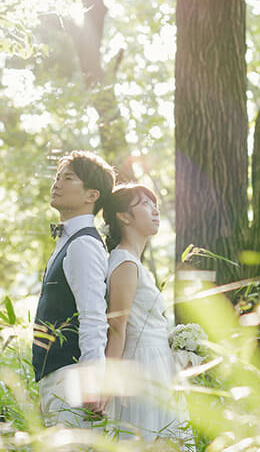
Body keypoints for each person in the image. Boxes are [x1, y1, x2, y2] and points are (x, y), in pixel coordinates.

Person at [102, 183, 195, 449]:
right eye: (144, 204)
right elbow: (117, 328)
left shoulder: (133, 262)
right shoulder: (125, 263)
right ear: (123, 216)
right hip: (141, 367)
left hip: (158, 367)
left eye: (154, 203)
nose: (155, 210)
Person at [32, 150, 116, 427]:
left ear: (92, 195)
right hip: (57, 378)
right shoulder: (68, 242)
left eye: (68, 178)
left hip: (73, 377)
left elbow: (93, 316)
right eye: (57, 177)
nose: (56, 183)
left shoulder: (84, 245)